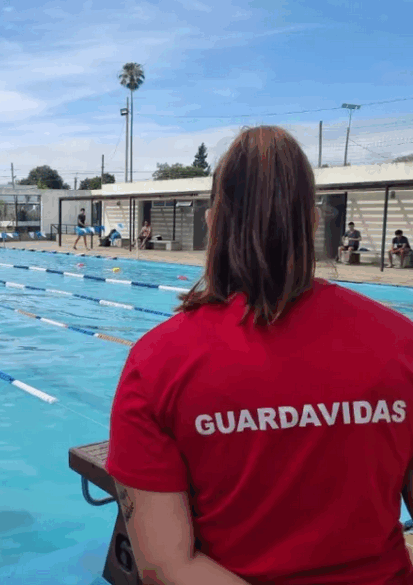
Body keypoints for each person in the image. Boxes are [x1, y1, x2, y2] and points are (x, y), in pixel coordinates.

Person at [106, 125, 413, 585]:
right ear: (311, 220)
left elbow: (168, 566)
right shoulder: (400, 341)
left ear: (213, 222)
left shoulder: (156, 362)